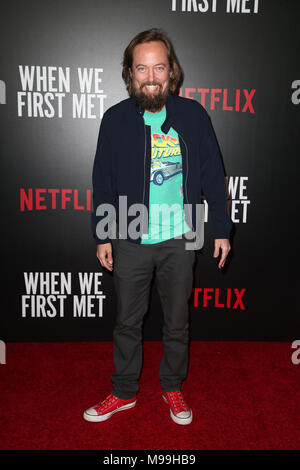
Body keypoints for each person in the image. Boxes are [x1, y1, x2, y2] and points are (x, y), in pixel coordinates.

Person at [83, 28, 232, 425]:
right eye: (142, 68)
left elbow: (213, 175)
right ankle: (124, 391)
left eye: (159, 67)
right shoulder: (115, 119)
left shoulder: (194, 115)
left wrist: (220, 229)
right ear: (130, 74)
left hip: (183, 235)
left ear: (172, 72)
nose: (151, 76)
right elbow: (103, 181)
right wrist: (103, 234)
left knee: (177, 321)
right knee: (127, 322)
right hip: (130, 234)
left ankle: (172, 387)